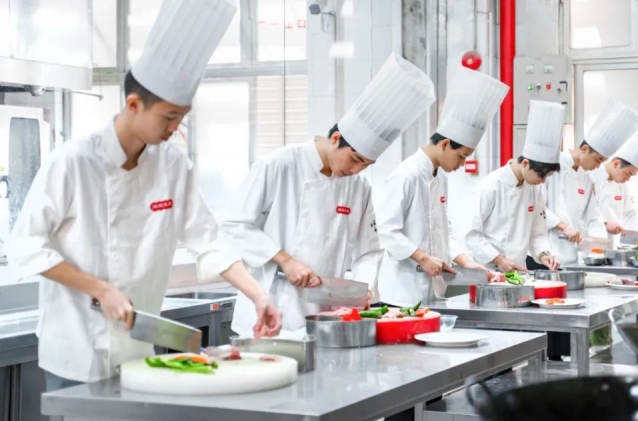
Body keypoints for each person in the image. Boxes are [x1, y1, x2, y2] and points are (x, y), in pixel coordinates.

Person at [6, 0, 281, 391]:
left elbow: (209, 240)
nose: (176, 127)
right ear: (133, 105)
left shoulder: (173, 165)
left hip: (136, 348)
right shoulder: (73, 162)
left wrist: (258, 295)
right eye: (169, 116)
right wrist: (100, 289)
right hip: (75, 348)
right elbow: (26, 246)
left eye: (182, 116)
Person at [221, 53, 436, 336]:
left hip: (325, 316)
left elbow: (369, 250)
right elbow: (234, 224)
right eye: (356, 159)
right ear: (336, 139)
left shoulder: (358, 186)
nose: (357, 170)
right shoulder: (279, 165)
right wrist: (285, 260)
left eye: (366, 165)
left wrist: (362, 290)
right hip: (269, 310)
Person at [376, 65, 508, 307]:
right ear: (445, 144)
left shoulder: (440, 178)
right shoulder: (406, 175)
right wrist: (422, 257)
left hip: (434, 291)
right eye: (462, 156)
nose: (463, 164)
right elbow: (386, 231)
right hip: (402, 293)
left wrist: (466, 262)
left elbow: (443, 231)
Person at [465, 100, 564, 275]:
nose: (542, 181)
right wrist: (498, 259)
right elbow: (471, 234)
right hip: (490, 272)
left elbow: (537, 232)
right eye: (541, 175)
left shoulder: (535, 188)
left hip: (520, 271)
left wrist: (544, 254)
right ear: (525, 163)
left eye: (547, 177)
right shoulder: (491, 186)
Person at [543, 97, 638, 266]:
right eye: (597, 160)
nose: (598, 166)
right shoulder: (553, 166)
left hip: (570, 255)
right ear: (584, 149)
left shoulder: (587, 177)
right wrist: (562, 226)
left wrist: (601, 249)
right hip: (546, 254)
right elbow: (538, 207)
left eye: (602, 161)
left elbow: (594, 217)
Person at [591, 117, 638, 236]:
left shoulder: (623, 186)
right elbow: (585, 213)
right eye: (628, 173)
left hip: (615, 241)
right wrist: (604, 223)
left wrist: (636, 236)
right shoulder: (591, 178)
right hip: (593, 239)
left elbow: (631, 214)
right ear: (616, 164)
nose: (628, 179)